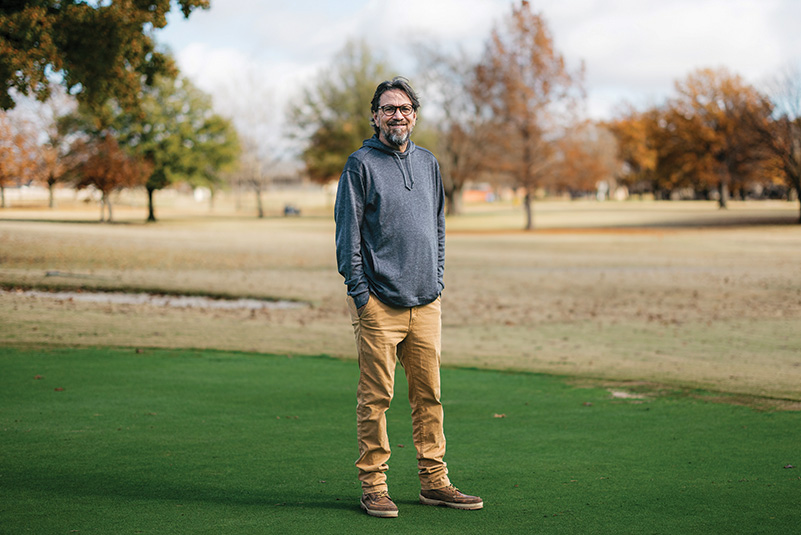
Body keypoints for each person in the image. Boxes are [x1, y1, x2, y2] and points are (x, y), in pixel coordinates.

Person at [335, 77, 483, 518]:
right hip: (379, 303)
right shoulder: (359, 164)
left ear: (414, 114)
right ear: (375, 116)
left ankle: (435, 482)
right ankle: (374, 486)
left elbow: (437, 227)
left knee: (429, 397)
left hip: (426, 302)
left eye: (404, 108)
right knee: (376, 398)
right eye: (388, 108)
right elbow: (348, 239)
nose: (396, 115)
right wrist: (361, 295)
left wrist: (436, 280)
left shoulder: (429, 163)